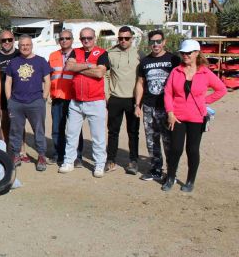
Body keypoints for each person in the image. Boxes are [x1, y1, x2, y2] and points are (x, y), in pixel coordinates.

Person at [162, 40, 226, 192]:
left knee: (192, 150)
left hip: (197, 117)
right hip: (177, 116)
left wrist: (204, 101)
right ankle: (170, 177)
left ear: (197, 53)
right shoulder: (176, 71)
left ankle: (190, 181)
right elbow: (168, 92)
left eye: (188, 53)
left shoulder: (205, 72)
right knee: (175, 149)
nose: (185, 55)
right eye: (183, 53)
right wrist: (170, 113)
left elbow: (221, 89)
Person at [58, 27, 110, 178]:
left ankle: (99, 165)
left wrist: (78, 68)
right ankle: (68, 161)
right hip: (76, 101)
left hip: (95, 100)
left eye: (89, 37)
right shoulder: (76, 51)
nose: (86, 40)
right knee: (72, 134)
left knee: (98, 136)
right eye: (83, 38)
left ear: (95, 38)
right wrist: (89, 65)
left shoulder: (101, 53)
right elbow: (68, 66)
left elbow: (100, 72)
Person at [134, 30, 180, 181]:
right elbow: (140, 84)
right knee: (151, 140)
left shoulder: (173, 59)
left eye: (158, 41)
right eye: (153, 42)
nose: (156, 45)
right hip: (149, 106)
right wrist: (137, 105)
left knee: (168, 141)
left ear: (164, 42)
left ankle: (172, 172)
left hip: (167, 108)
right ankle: (156, 169)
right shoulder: (145, 62)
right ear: (149, 43)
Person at [5, 35, 51, 171]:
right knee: (15, 131)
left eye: (27, 45)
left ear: (32, 46)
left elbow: (47, 81)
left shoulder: (41, 61)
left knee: (39, 131)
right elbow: (8, 81)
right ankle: (15, 155)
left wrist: (43, 98)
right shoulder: (13, 62)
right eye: (22, 45)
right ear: (19, 47)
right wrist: (9, 100)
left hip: (35, 102)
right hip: (16, 102)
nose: (25, 47)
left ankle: (41, 156)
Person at [105, 26, 142, 175]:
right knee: (113, 131)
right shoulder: (110, 54)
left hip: (133, 99)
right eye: (120, 38)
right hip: (115, 98)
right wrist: (107, 96)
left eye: (126, 38)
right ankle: (111, 160)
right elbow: (106, 76)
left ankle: (133, 161)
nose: (123, 41)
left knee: (133, 132)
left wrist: (140, 101)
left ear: (132, 39)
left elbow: (142, 78)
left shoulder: (139, 54)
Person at [48, 30, 83, 167]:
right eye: (61, 38)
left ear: (72, 40)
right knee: (57, 128)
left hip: (73, 98)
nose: (64, 40)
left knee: (75, 129)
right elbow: (48, 76)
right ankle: (58, 155)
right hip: (57, 97)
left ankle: (77, 157)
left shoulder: (79, 55)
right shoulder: (53, 56)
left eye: (67, 38)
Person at [0, 30, 19, 142]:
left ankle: (22, 150)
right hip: (3, 94)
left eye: (9, 39)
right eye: (4, 40)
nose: (7, 42)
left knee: (19, 122)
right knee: (4, 121)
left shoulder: (19, 54)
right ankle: (3, 146)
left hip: (18, 93)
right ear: (0, 41)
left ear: (14, 40)